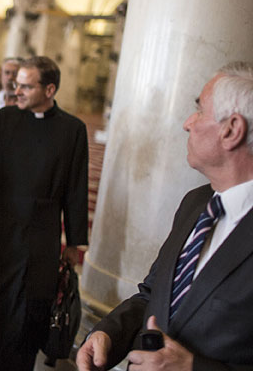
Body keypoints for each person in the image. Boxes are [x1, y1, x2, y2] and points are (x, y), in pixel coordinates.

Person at [77, 61, 253, 371]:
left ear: (232, 130)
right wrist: (108, 332)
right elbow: (153, 295)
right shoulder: (197, 203)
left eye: (199, 111)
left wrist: (194, 368)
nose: (187, 123)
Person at [0, 56, 89, 371]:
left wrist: (74, 242)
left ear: (50, 89)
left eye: (27, 86)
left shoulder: (72, 129)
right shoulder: (4, 119)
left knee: (27, 315)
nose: (17, 91)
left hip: (41, 237)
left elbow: (75, 187)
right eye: (16, 84)